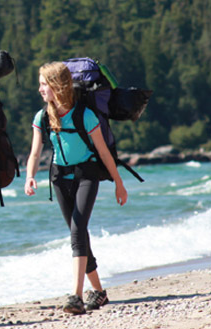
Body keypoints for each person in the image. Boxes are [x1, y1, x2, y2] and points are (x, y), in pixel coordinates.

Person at [22, 62, 128, 315]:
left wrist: (119, 183)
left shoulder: (85, 115)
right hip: (59, 177)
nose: (40, 89)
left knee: (78, 230)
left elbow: (103, 152)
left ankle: (76, 296)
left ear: (57, 86)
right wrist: (29, 176)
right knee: (77, 233)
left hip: (86, 174)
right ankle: (99, 292)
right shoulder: (42, 117)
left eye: (43, 84)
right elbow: (35, 152)